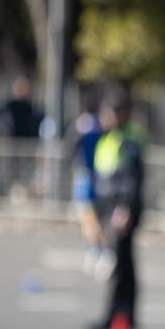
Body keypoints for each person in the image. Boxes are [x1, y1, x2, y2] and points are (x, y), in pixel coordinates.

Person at [86, 88, 146, 329]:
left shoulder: (127, 140)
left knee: (120, 266)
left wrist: (124, 209)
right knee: (123, 264)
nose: (103, 116)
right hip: (111, 209)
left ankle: (117, 316)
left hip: (122, 210)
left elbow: (132, 179)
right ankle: (124, 316)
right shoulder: (108, 139)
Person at [69, 97, 108, 277]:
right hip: (97, 175)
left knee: (89, 217)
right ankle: (96, 250)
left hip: (86, 176)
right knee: (93, 217)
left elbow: (70, 147)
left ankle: (98, 251)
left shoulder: (83, 126)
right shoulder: (100, 127)